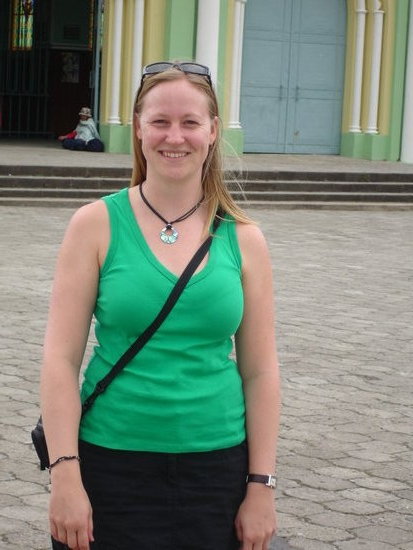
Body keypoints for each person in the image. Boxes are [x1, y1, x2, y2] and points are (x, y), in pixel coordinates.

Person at [41, 61, 280, 550]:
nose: (175, 136)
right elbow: (59, 360)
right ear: (138, 128)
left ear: (212, 131)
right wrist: (65, 476)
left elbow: (260, 371)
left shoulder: (244, 238)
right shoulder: (94, 225)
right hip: (110, 464)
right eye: (160, 121)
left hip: (217, 470)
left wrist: (261, 486)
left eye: (190, 122)